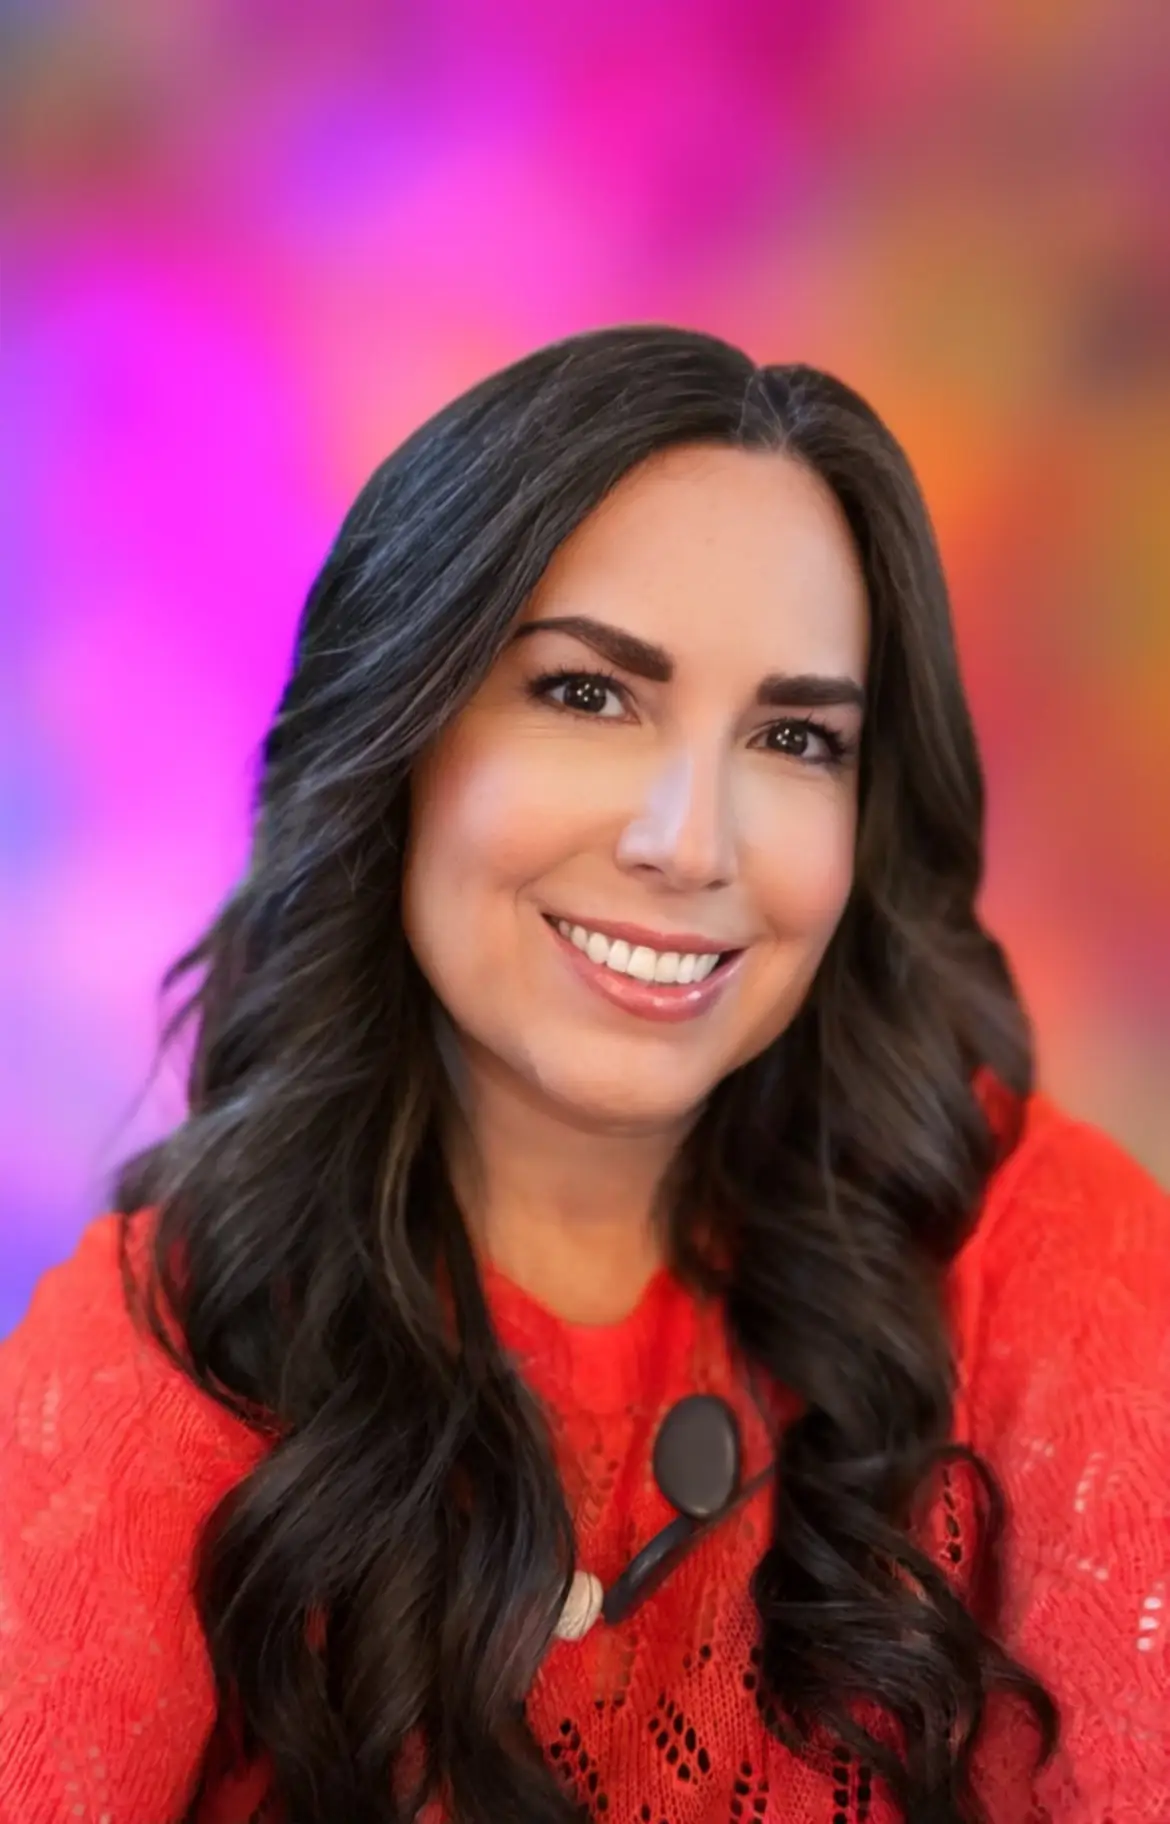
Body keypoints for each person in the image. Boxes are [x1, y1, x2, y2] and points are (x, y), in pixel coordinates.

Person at [0, 327, 1165, 1824]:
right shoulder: (165, 1348)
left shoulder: (1034, 1253)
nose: (691, 841)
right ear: (399, 737)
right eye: (587, 696)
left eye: (796, 737)